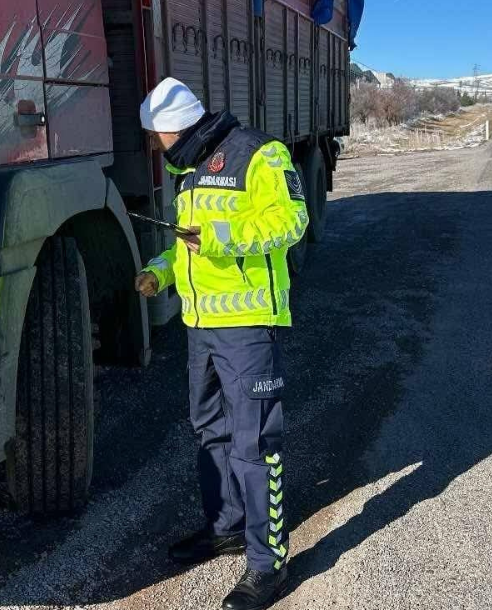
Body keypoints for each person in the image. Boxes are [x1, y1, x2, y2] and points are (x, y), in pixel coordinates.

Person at [134, 78, 309, 610]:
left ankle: (267, 563)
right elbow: (188, 247)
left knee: (255, 443)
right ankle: (227, 526)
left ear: (174, 128)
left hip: (250, 324)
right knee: (209, 428)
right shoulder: (188, 170)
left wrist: (219, 238)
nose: (155, 146)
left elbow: (291, 221)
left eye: (156, 136)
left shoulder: (261, 154)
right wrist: (159, 273)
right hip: (201, 327)